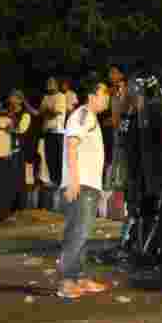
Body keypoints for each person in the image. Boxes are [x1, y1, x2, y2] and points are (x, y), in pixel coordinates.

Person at [57, 81, 111, 299]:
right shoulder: (83, 114)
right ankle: (67, 281)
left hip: (89, 185)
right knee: (77, 234)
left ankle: (79, 277)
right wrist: (74, 180)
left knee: (83, 234)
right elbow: (71, 144)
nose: (106, 100)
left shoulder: (91, 118)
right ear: (91, 96)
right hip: (81, 184)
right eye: (103, 96)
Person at [39, 78, 67, 187]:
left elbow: (55, 113)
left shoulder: (61, 96)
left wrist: (47, 111)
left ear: (57, 84)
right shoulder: (46, 97)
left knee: (58, 158)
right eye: (48, 82)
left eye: (52, 82)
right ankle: (54, 181)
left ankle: (60, 182)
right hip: (47, 131)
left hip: (58, 131)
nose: (49, 84)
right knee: (49, 157)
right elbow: (40, 112)